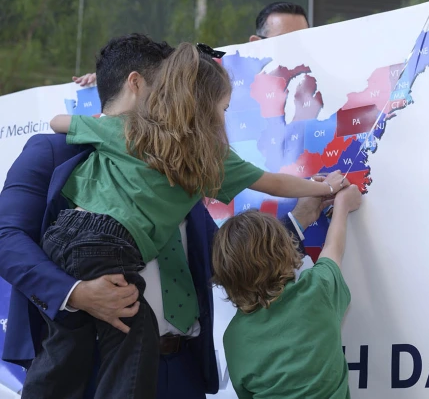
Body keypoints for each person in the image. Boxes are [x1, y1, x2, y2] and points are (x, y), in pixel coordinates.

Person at [0, 33, 329, 399]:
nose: (179, 96)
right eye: (170, 84)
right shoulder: (55, 150)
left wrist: (299, 220)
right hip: (93, 371)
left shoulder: (186, 161)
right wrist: (76, 294)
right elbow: (6, 240)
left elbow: (228, 255)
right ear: (137, 84)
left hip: (183, 371)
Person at [212, 184, 362, 399]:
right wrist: (342, 206)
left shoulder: (234, 338)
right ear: (285, 249)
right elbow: (333, 249)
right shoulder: (316, 291)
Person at [72, 2, 309, 86]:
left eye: (305, 39)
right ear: (255, 43)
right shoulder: (222, 63)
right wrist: (111, 77)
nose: (295, 48)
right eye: (286, 41)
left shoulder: (326, 78)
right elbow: (169, 66)